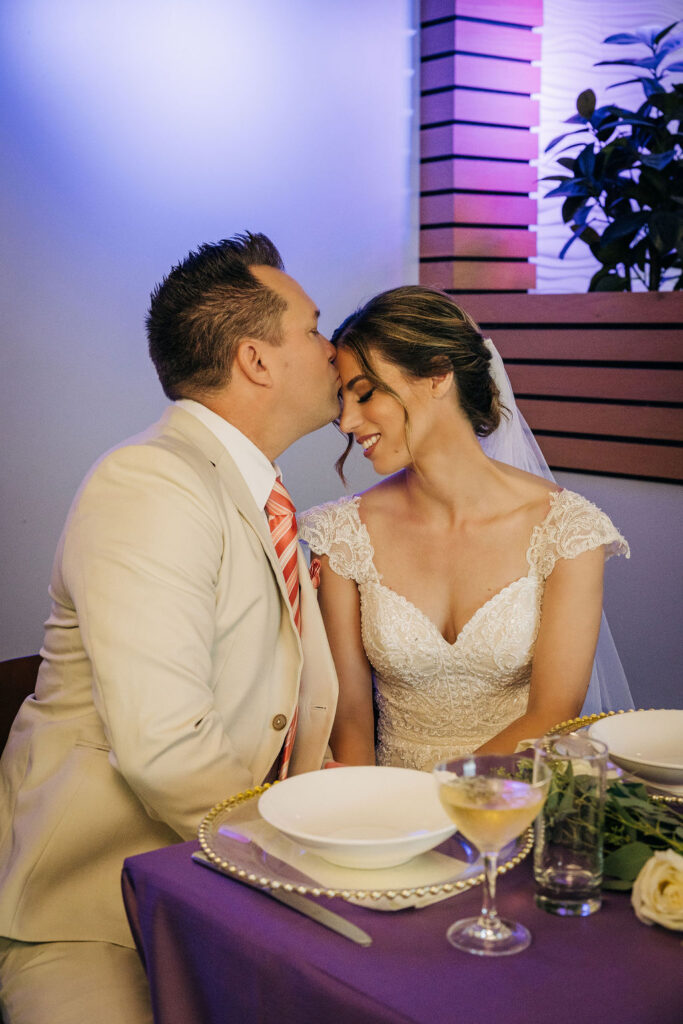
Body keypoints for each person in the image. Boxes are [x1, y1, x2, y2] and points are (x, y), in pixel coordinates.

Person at [0, 232, 339, 1024]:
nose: (335, 350)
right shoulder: (150, 481)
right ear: (257, 360)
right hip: (93, 910)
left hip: (220, 890)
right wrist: (317, 856)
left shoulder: (261, 496)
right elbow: (166, 748)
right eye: (316, 329)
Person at [299, 285, 632, 771]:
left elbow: (554, 713)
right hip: (389, 814)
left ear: (437, 373)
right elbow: (350, 722)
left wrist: (439, 803)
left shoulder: (567, 529)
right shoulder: (341, 534)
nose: (348, 421)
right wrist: (371, 822)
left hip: (511, 805)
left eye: (365, 393)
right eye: (342, 402)